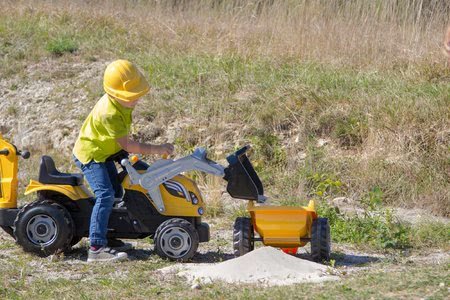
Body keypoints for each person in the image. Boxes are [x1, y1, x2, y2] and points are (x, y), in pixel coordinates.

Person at [73, 60, 174, 262]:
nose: (137, 98)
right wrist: (158, 149)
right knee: (105, 196)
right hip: (92, 155)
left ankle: (109, 236)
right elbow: (128, 145)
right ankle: (96, 247)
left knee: (118, 192)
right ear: (117, 94)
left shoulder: (121, 102)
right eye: (133, 95)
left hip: (107, 151)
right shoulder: (109, 113)